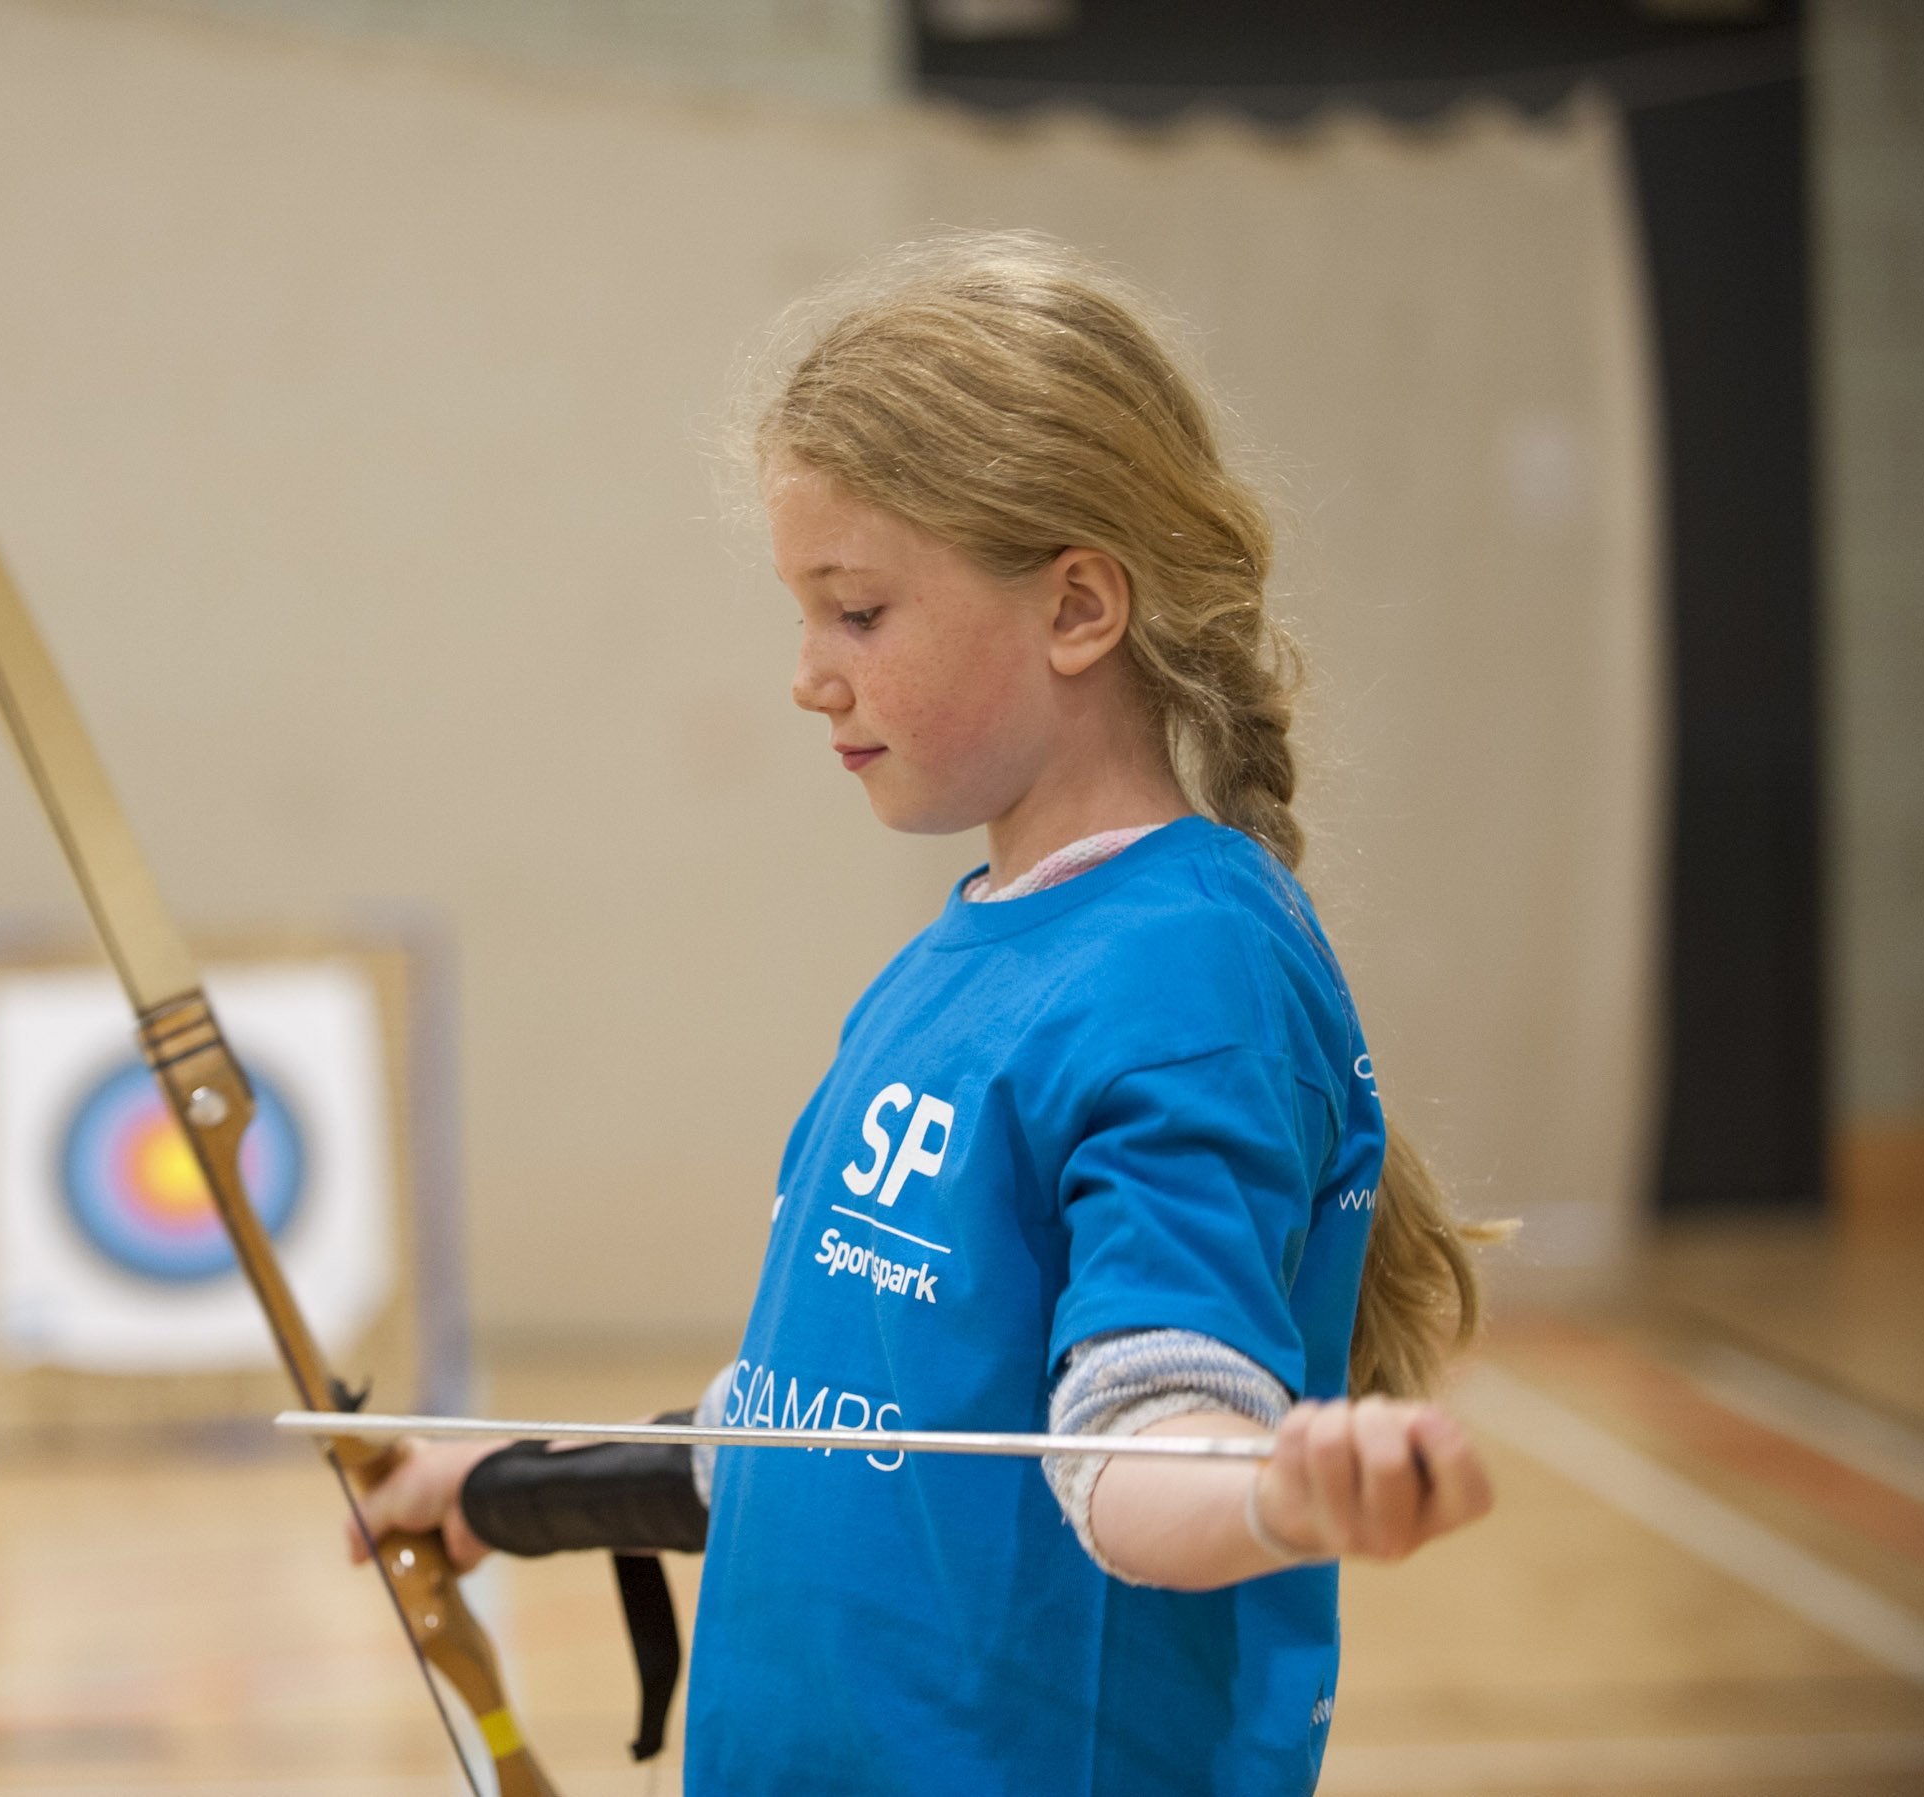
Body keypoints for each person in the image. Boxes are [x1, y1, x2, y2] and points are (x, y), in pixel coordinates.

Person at [352, 230, 1508, 1794]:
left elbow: (1131, 1442)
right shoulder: (967, 958)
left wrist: (1279, 1488)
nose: (810, 676)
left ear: (1079, 606)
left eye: (859, 612)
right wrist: (516, 1486)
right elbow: (839, 1420)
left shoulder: (1189, 975)